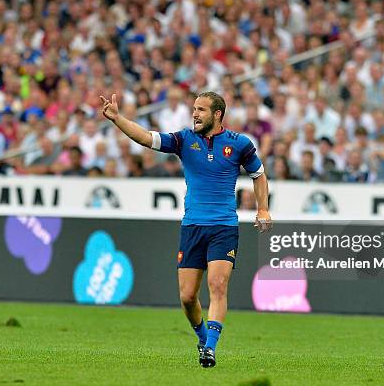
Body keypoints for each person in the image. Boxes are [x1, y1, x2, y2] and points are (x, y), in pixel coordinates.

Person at [99, 91, 272, 368]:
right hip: (192, 227)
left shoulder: (239, 144)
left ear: (217, 114)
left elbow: (259, 175)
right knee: (187, 296)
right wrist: (118, 119)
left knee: (218, 285)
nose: (195, 114)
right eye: (194, 109)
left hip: (224, 226)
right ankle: (203, 337)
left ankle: (210, 350)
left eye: (201, 110)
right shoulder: (184, 140)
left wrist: (262, 208)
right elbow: (147, 138)